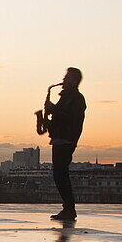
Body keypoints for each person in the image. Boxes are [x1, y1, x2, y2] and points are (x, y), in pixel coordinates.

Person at [44, 67, 86, 222]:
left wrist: (53, 109)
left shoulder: (76, 98)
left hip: (67, 139)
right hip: (60, 138)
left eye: (67, 77)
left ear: (74, 81)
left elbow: (71, 118)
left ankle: (69, 208)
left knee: (61, 174)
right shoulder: (67, 97)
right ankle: (67, 208)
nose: (63, 80)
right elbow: (61, 119)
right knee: (59, 174)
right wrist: (47, 121)